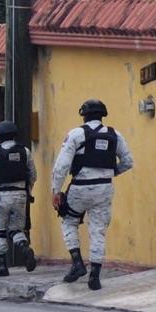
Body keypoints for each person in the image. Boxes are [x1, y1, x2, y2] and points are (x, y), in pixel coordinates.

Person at [51, 99, 134, 291]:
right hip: (104, 188)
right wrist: (111, 173)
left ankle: (77, 263)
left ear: (83, 114)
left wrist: (56, 191)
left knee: (68, 221)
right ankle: (95, 276)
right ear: (102, 115)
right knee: (98, 230)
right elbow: (128, 162)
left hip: (80, 186)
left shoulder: (76, 134)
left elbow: (62, 166)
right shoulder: (115, 135)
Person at [0, 120, 37, 277]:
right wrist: (27, 191)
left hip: (1, 196)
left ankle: (2, 266)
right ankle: (24, 247)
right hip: (20, 195)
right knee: (16, 229)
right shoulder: (25, 151)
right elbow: (33, 174)